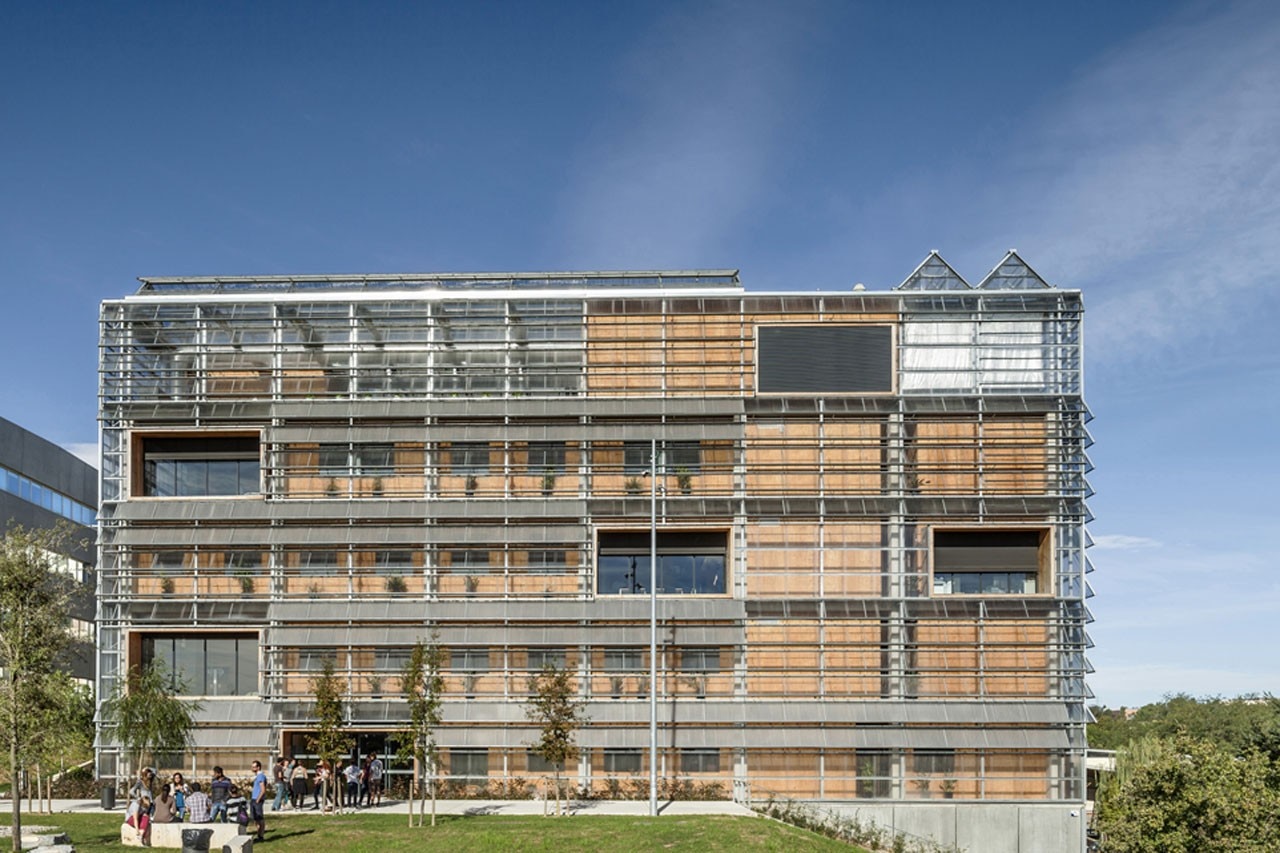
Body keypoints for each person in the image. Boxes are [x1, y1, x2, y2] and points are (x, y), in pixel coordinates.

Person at [250, 759, 268, 843]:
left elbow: (263, 789)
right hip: (254, 799)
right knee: (256, 819)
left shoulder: (261, 776)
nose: (252, 768)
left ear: (258, 767)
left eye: (254, 767)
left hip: (257, 800)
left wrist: (258, 799)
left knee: (260, 818)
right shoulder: (257, 776)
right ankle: (258, 834)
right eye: (252, 767)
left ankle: (261, 835)